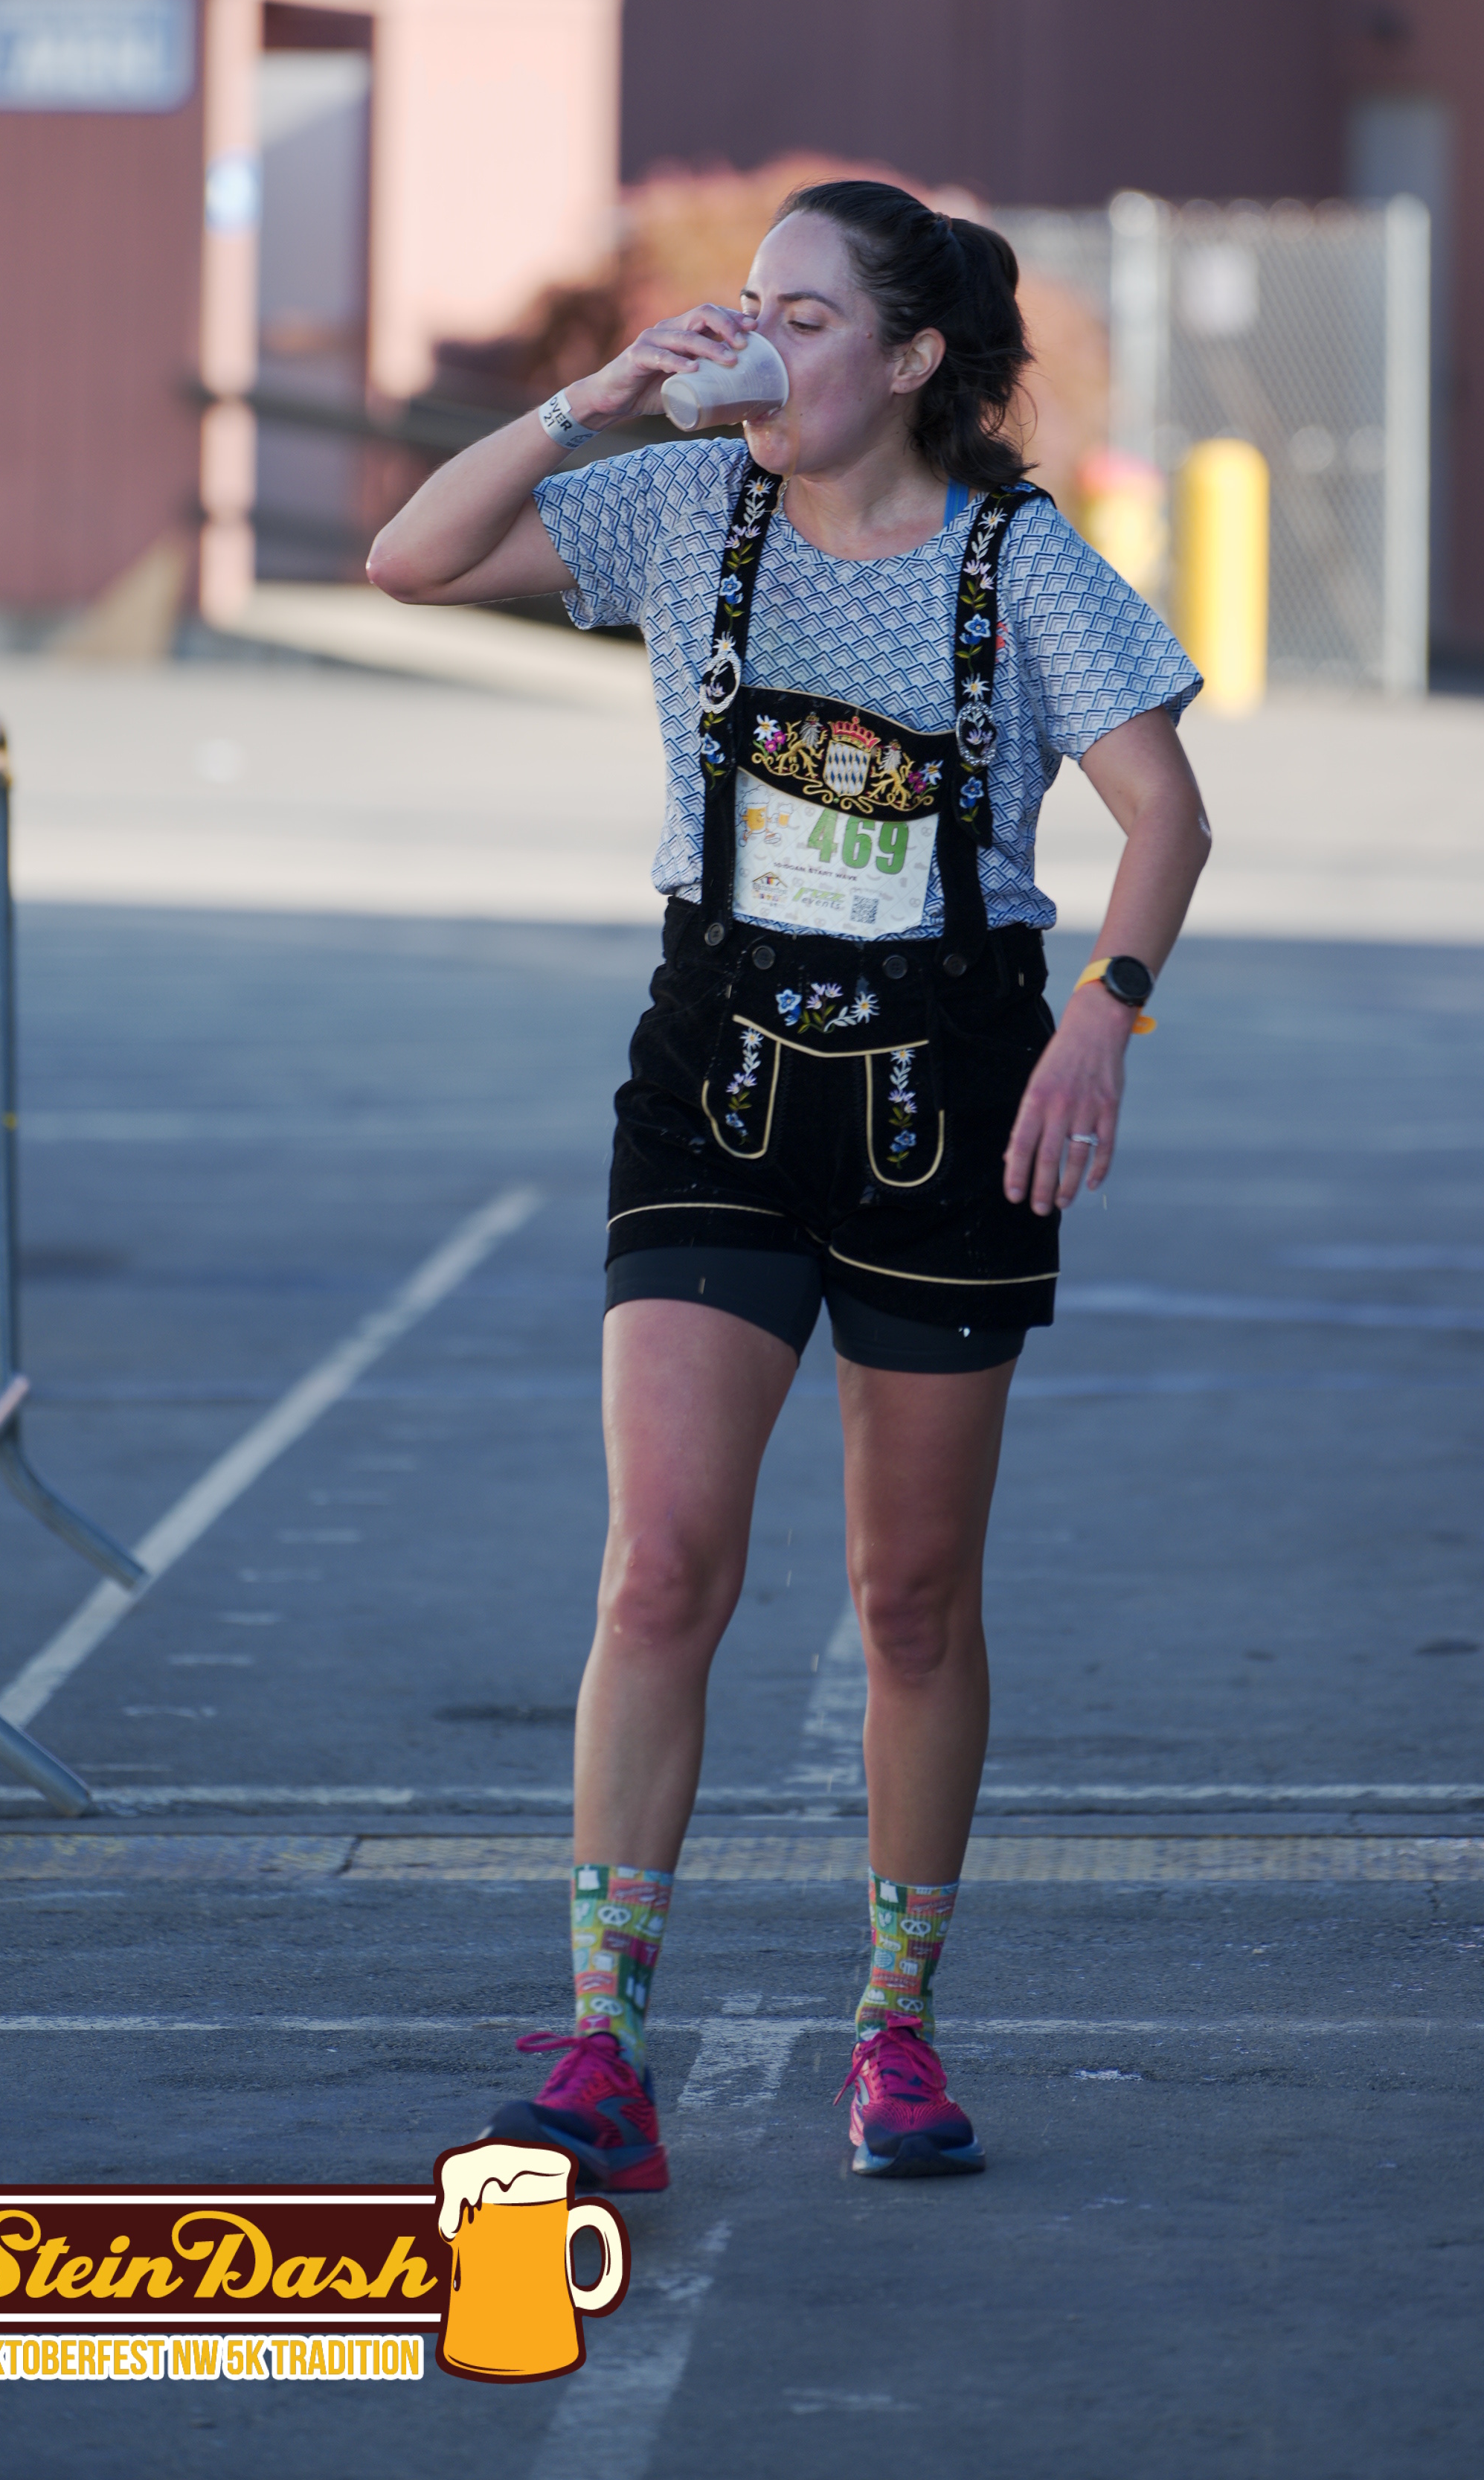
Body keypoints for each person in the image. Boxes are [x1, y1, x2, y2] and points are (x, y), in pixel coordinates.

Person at [367, 180, 1210, 2186]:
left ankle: (896, 2029)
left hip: (949, 1100)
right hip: (716, 1086)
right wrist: (592, 398)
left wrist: (1104, 1019)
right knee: (661, 1565)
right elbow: (411, 558)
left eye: (806, 319)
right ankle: (604, 2045)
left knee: (909, 1600)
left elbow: (1166, 816)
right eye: (747, 305)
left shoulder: (1020, 561)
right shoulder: (684, 509)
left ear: (912, 360)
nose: (757, 344)